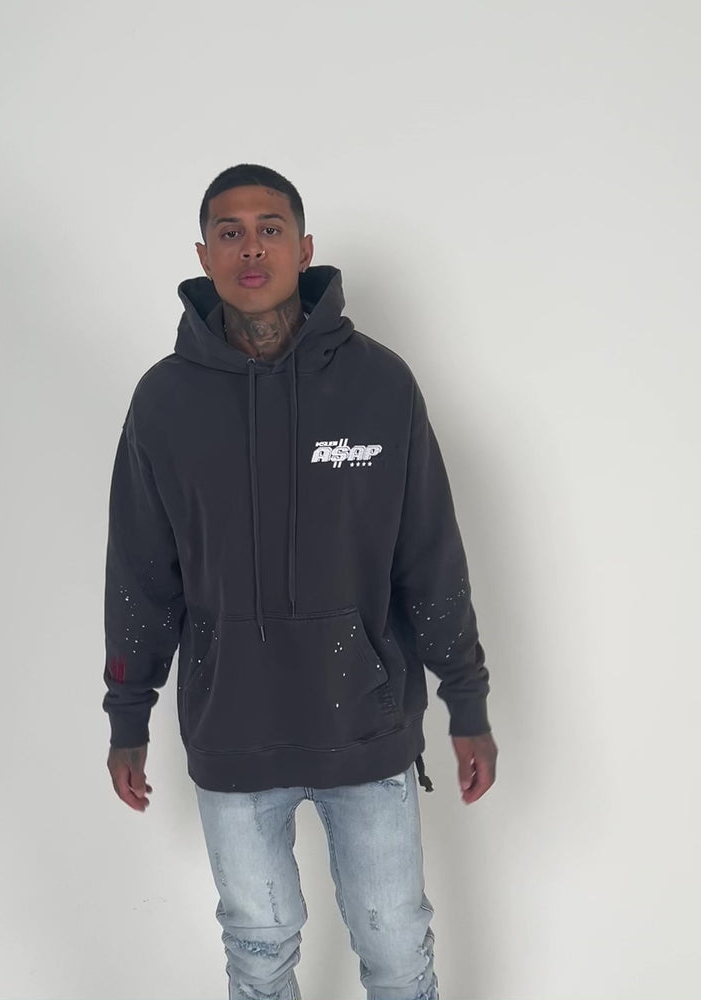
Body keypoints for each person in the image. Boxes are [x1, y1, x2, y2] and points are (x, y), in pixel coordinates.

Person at [102, 163, 498, 1000]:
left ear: (305, 248)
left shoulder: (381, 386)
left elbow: (430, 555)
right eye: (230, 232)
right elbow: (139, 574)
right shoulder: (163, 403)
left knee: (398, 953)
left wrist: (466, 698)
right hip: (232, 732)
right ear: (204, 255)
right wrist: (127, 713)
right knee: (258, 952)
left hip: (366, 725)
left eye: (270, 229)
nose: (251, 248)